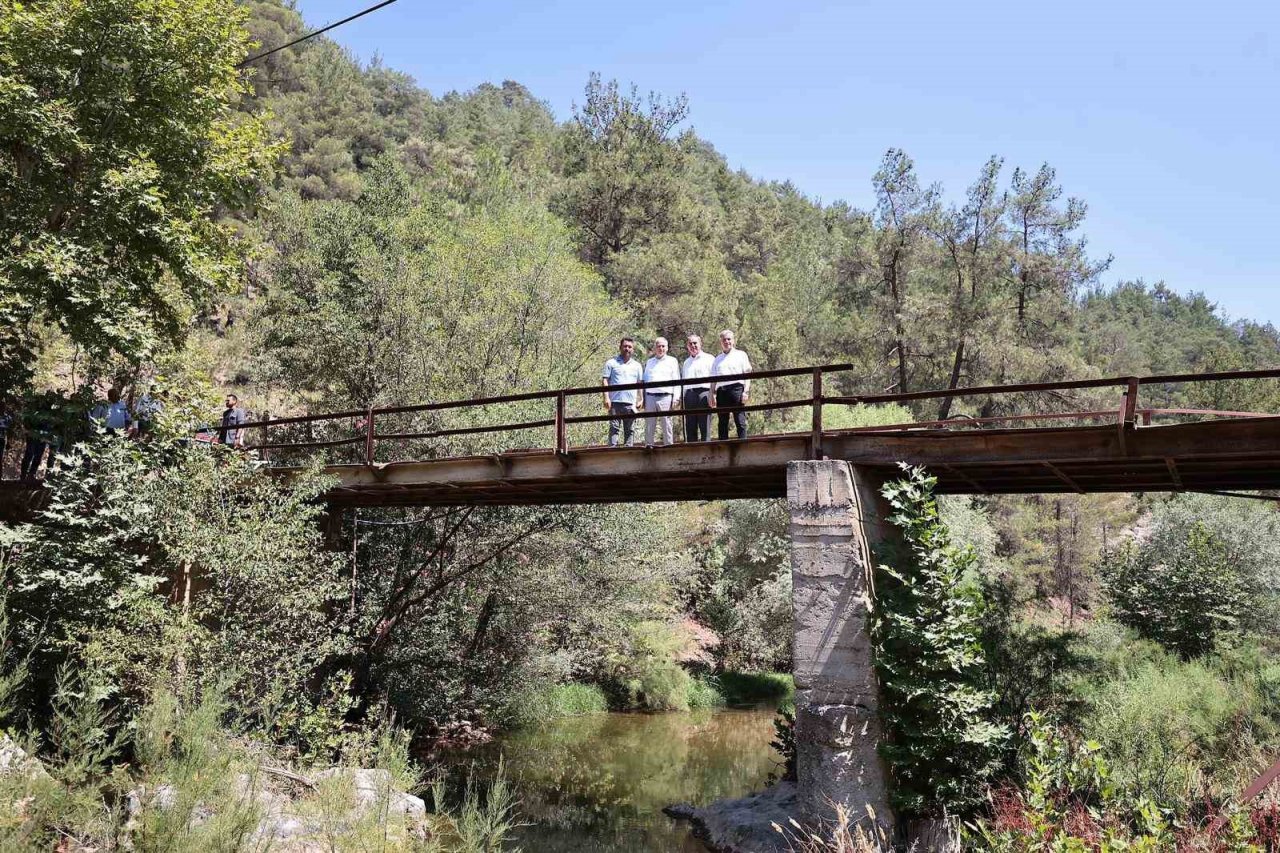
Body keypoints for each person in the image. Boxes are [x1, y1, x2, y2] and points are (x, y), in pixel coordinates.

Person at [601, 338, 644, 447]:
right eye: (625, 346)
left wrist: (641, 399)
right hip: (615, 401)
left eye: (630, 347)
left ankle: (629, 451)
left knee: (630, 430)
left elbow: (640, 383)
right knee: (614, 428)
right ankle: (612, 450)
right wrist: (606, 397)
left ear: (633, 349)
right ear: (620, 347)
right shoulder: (611, 363)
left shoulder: (637, 365)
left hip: (630, 403)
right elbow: (605, 380)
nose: (627, 349)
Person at [711, 329, 752, 440]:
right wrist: (712, 394)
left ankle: (743, 445)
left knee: (740, 420)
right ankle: (723, 447)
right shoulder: (717, 359)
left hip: (737, 389)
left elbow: (747, 374)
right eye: (724, 340)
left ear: (733, 341)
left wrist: (746, 391)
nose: (726, 342)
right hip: (721, 392)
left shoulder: (741, 355)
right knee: (722, 422)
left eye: (729, 339)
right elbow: (713, 379)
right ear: (721, 342)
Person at [642, 337, 680, 446]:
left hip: (666, 397)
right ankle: (648, 447)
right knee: (649, 425)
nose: (661, 348)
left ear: (667, 348)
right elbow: (645, 380)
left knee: (667, 425)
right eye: (658, 346)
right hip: (650, 397)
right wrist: (643, 398)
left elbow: (676, 379)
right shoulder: (650, 362)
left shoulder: (672, 361)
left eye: (663, 346)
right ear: (655, 348)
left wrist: (676, 398)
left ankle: (668, 447)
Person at [680, 335, 715, 442]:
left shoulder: (709, 358)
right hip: (689, 395)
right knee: (690, 426)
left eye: (695, 343)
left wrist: (713, 394)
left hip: (704, 393)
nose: (693, 346)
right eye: (690, 344)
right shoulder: (686, 362)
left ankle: (706, 449)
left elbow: (714, 378)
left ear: (700, 344)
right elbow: (684, 381)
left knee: (705, 426)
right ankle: (692, 450)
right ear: (687, 346)